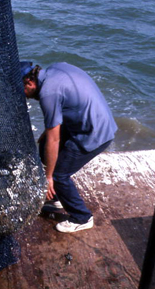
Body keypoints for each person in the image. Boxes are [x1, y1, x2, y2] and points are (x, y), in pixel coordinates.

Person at [20, 61, 117, 233]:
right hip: (88, 121)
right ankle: (56, 198)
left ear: (29, 82)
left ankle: (82, 217)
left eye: (22, 91)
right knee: (44, 143)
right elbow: (67, 100)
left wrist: (49, 177)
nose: (24, 96)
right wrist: (49, 134)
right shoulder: (55, 69)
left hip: (94, 133)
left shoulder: (47, 93)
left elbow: (54, 140)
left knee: (59, 174)